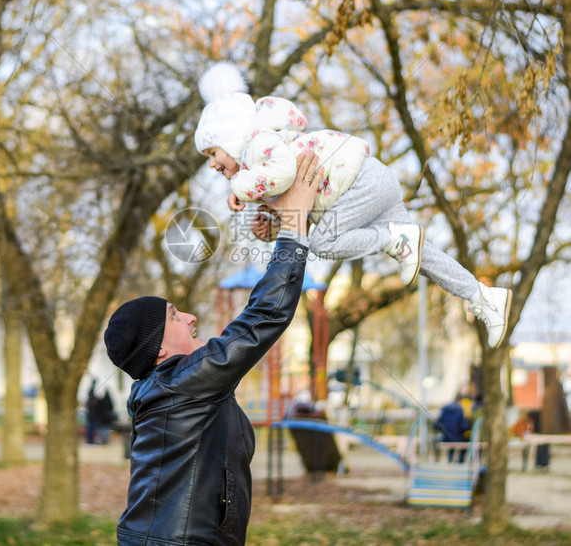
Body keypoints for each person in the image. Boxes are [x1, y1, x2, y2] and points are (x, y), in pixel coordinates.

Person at [194, 61, 512, 348]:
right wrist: (274, 224)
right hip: (368, 183)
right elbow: (298, 206)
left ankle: (392, 238)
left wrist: (241, 187)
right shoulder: (262, 161)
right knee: (423, 256)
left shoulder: (259, 145)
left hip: (361, 183)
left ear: (233, 138)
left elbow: (285, 172)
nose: (212, 165)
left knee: (324, 242)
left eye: (213, 153)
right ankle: (482, 295)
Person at [103, 152, 323, 546]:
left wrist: (280, 226)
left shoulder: (178, 389)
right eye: (173, 316)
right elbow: (263, 317)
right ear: (158, 352)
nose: (189, 317)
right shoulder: (181, 383)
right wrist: (292, 230)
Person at [434, 396, 470, 463]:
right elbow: (464, 427)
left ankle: (450, 460)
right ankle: (460, 461)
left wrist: (444, 429)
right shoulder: (459, 410)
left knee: (449, 440)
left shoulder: (444, 410)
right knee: (465, 441)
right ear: (459, 402)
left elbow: (435, 425)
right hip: (457, 438)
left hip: (446, 438)